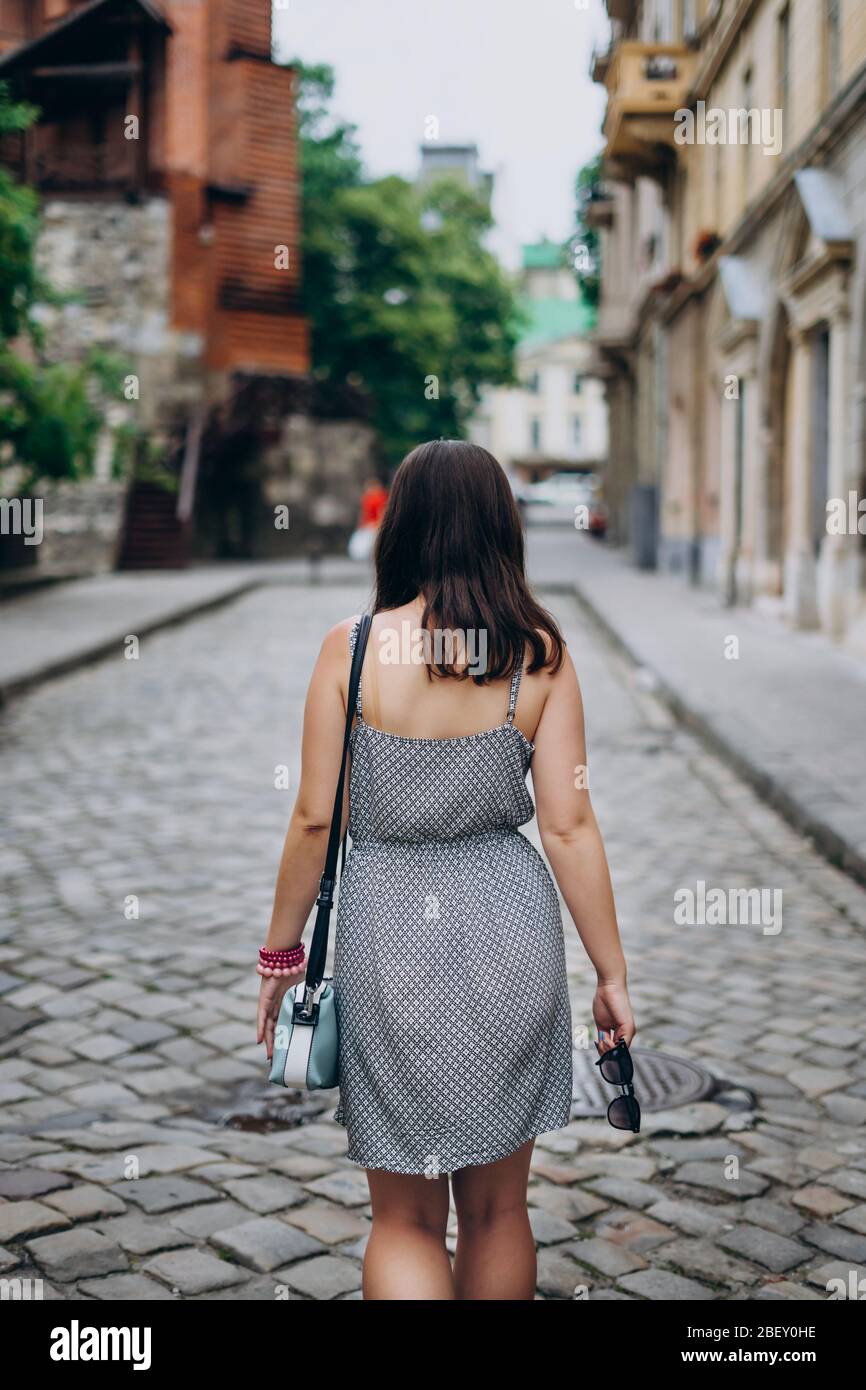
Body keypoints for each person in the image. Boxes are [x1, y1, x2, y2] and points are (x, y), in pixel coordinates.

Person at [257, 439, 634, 1300]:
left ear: (404, 528)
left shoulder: (351, 650)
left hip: (390, 937)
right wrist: (611, 974)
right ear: (502, 529)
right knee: (502, 1214)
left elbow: (315, 818)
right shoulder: (537, 654)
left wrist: (282, 956)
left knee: (405, 1221)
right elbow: (570, 826)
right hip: (510, 929)